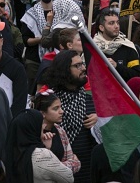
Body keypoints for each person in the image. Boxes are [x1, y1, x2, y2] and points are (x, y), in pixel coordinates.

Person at [42, 50, 97, 183]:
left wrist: (99, 120)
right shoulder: (46, 101)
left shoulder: (91, 100)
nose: (83, 68)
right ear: (64, 70)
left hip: (87, 173)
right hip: (57, 173)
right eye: (77, 66)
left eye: (82, 64)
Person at [4, 108, 75, 183]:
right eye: (41, 123)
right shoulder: (42, 155)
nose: (44, 126)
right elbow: (69, 177)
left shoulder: (11, 152)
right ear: (32, 128)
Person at [32, 89, 81, 176]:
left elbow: (76, 163)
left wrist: (57, 168)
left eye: (60, 107)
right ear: (43, 113)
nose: (61, 111)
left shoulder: (59, 130)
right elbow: (39, 168)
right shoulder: (33, 133)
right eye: (56, 108)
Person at [92, 8, 140, 81]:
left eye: (117, 22)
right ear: (102, 28)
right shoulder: (93, 47)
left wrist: (116, 66)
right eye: (111, 23)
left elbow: (137, 75)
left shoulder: (127, 46)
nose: (116, 26)